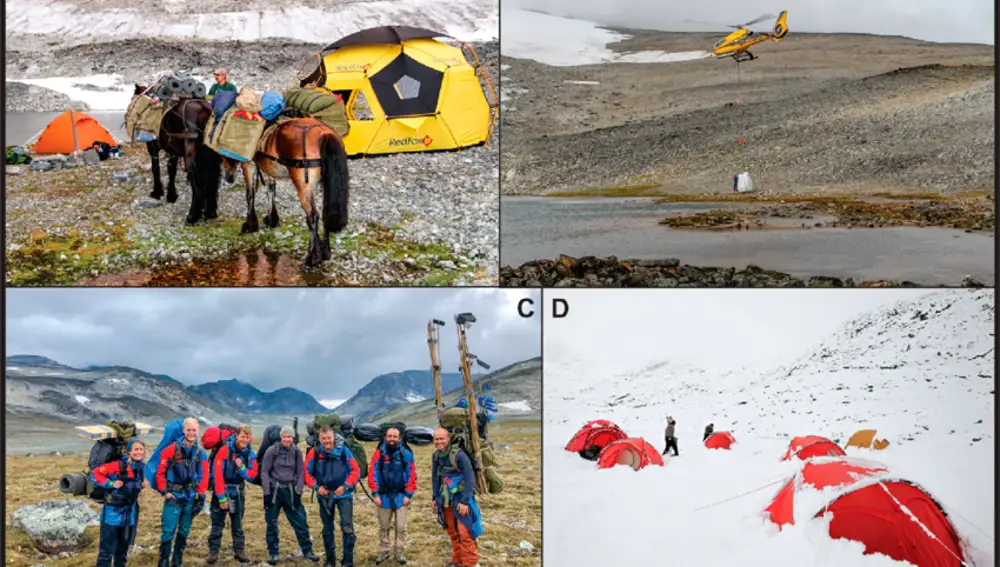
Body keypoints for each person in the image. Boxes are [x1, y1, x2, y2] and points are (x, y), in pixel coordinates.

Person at [261, 426, 319, 565]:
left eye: (289, 436)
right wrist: (266, 493)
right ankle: (273, 553)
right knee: (272, 523)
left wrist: (299, 492)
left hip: (291, 491)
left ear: (293, 438)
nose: (287, 439)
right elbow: (264, 472)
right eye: (284, 436)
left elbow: (300, 473)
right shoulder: (271, 451)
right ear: (281, 437)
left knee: (300, 521)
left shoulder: (297, 452)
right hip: (274, 491)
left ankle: (307, 551)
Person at [155, 418, 209, 567]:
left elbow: (204, 474)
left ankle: (177, 559)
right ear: (184, 431)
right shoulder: (171, 450)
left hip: (190, 497)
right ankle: (163, 561)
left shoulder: (200, 452)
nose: (191, 433)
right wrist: (164, 491)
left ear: (198, 431)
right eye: (188, 430)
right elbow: (160, 473)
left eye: (194, 430)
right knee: (168, 530)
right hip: (174, 496)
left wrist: (201, 494)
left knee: (184, 529)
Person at [305, 428, 360, 567]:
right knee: (327, 528)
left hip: (344, 495)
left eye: (329, 438)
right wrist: (317, 488)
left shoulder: (343, 451)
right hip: (324, 495)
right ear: (320, 439)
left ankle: (347, 562)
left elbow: (355, 470)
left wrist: (346, 486)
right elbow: (306, 472)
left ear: (333, 438)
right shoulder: (315, 452)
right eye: (323, 438)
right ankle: (330, 561)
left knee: (347, 527)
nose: (327, 441)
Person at [207, 424, 258, 565]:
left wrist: (241, 467)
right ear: (236, 435)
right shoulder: (224, 450)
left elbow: (252, 475)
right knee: (217, 523)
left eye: (247, 437)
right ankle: (213, 552)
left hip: (238, 492)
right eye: (242, 436)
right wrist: (221, 497)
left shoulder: (250, 454)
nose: (244, 439)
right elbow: (217, 475)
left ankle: (239, 551)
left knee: (238, 523)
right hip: (222, 490)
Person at [91, 439, 147, 567]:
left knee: (122, 552)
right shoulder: (117, 465)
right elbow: (95, 474)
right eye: (135, 449)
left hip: (129, 517)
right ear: (129, 452)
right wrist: (111, 483)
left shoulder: (141, 468)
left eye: (141, 449)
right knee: (106, 552)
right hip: (111, 517)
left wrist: (142, 485)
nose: (139, 452)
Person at [432, 428, 483, 567]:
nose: (439, 442)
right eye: (436, 439)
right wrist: (435, 497)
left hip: (461, 498)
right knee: (452, 531)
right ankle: (457, 560)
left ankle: (470, 563)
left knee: (464, 532)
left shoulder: (459, 455)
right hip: (446, 497)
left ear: (448, 439)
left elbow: (470, 478)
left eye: (442, 438)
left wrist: (465, 501)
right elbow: (435, 478)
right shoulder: (436, 456)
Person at [369, 427, 417, 565]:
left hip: (401, 496)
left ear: (400, 438)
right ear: (385, 437)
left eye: (395, 436)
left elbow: (411, 474)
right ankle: (384, 551)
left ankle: (399, 551)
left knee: (401, 526)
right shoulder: (379, 454)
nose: (392, 439)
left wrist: (409, 494)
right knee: (384, 526)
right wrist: (375, 493)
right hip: (383, 496)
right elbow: (373, 474)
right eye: (389, 436)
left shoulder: (406, 454)